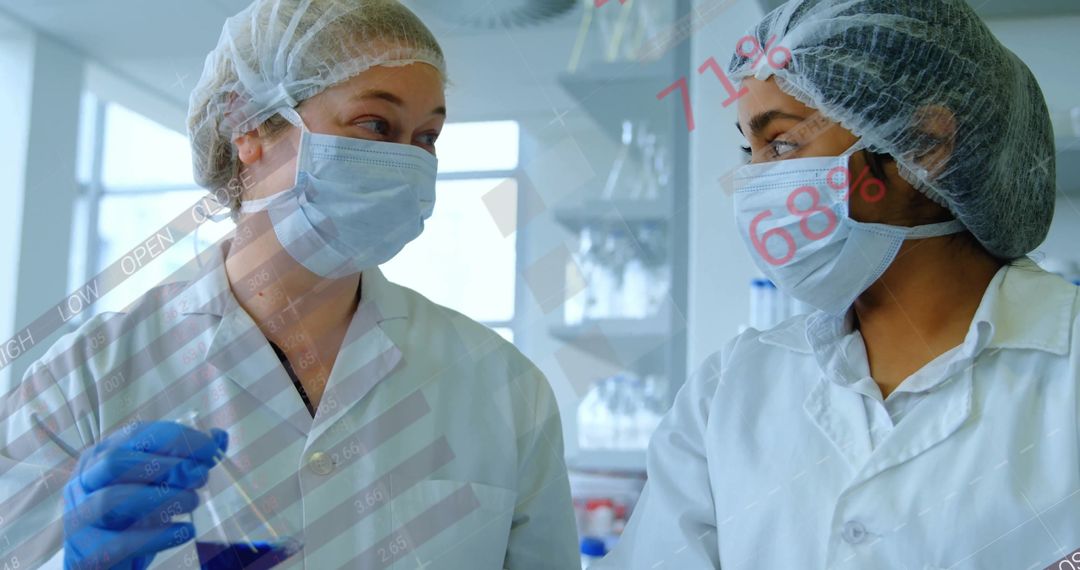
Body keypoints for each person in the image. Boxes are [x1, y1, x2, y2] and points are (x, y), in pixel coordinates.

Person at [0, 1, 579, 568]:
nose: (409, 163)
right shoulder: (87, 377)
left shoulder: (503, 387)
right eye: (376, 124)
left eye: (426, 137)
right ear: (246, 125)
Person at [598, 0, 1078, 568]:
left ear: (925, 144)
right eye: (747, 151)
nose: (753, 182)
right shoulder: (730, 392)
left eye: (781, 145)